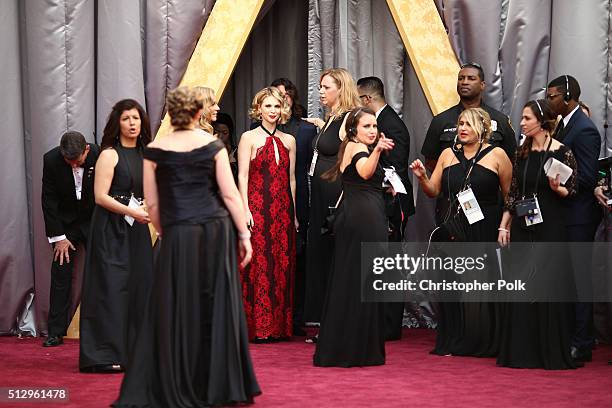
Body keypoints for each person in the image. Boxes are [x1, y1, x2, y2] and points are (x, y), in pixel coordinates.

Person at [113, 86, 260, 406]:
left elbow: (153, 205)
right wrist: (245, 236)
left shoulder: (155, 149)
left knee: (176, 306)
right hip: (215, 232)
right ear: (197, 113)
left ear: (171, 113)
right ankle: (216, 384)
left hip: (179, 233)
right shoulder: (212, 145)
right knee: (214, 303)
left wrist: (169, 231)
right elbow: (231, 195)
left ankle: (177, 379)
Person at [411, 108, 512, 357]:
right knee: (451, 285)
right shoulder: (447, 154)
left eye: (468, 124)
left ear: (483, 128)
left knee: (481, 287)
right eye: (460, 123)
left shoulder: (498, 155)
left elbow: (511, 196)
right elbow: (433, 191)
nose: (462, 128)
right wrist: (423, 177)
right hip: (452, 227)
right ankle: (452, 340)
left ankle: (484, 341)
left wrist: (504, 226)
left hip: (484, 227)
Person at [496, 99, 579, 369]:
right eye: (522, 119)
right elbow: (514, 193)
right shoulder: (522, 152)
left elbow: (573, 190)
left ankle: (548, 351)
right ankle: (521, 351)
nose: (522, 123)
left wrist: (558, 189)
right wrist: (504, 224)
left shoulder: (562, 152)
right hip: (523, 224)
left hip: (551, 225)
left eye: (527, 119)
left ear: (542, 122)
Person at [313, 107, 393, 367]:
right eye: (367, 126)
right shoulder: (354, 147)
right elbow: (365, 172)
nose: (372, 131)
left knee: (364, 280)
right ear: (354, 130)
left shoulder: (363, 148)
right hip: (360, 220)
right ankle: (349, 348)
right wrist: (379, 150)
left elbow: (367, 180)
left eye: (374, 126)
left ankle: (360, 346)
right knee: (355, 279)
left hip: (368, 216)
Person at [79, 99, 153, 372]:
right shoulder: (109, 154)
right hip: (110, 229)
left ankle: (137, 353)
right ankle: (103, 355)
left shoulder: (147, 153)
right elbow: (100, 197)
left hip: (137, 228)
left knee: (140, 286)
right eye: (126, 119)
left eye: (136, 118)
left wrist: (149, 209)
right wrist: (132, 212)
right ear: (117, 124)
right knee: (110, 289)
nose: (132, 123)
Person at [547, 75, 602, 363]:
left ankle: (581, 342)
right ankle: (577, 335)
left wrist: (560, 184)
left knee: (579, 279)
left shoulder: (585, 129)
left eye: (553, 95)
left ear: (568, 96)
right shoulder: (565, 125)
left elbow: (589, 177)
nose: (548, 100)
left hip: (579, 216)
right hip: (565, 214)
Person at [303, 68, 361, 335]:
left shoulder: (350, 119)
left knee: (336, 254)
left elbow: (352, 162)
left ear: (341, 89)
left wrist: (341, 200)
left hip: (334, 195)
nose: (321, 91)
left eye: (326, 87)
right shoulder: (332, 118)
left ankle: (341, 321)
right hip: (321, 194)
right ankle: (326, 319)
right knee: (323, 254)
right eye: (320, 87)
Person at [357, 76, 415, 341]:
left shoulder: (393, 126)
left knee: (390, 263)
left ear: (367, 100)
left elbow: (397, 171)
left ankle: (390, 324)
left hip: (393, 205)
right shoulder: (383, 122)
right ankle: (379, 319)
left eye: (360, 100)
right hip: (379, 203)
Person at [237, 87, 297, 341]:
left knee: (282, 265)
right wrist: (244, 210)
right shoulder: (248, 138)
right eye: (268, 106)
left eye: (276, 106)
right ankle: (257, 328)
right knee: (259, 265)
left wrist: (294, 214)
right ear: (258, 109)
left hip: (283, 211)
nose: (272, 111)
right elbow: (242, 176)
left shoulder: (289, 140)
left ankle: (278, 328)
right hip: (257, 209)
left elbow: (291, 179)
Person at [41, 131, 100, 347]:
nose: (74, 165)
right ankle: (55, 332)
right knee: (60, 274)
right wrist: (59, 237)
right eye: (69, 161)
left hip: (95, 221)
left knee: (104, 272)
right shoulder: (51, 160)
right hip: (66, 227)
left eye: (77, 161)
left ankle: (102, 330)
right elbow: (48, 200)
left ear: (86, 150)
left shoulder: (100, 154)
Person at [271, 78, 318, 336]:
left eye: (286, 94)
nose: (281, 99)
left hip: (299, 198)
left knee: (298, 257)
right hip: (267, 200)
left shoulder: (306, 130)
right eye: (276, 95)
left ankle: (296, 318)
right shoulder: (258, 129)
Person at [213, 112, 238, 179]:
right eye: (216, 132)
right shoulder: (208, 152)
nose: (220, 136)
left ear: (230, 133)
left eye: (225, 133)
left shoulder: (236, 152)